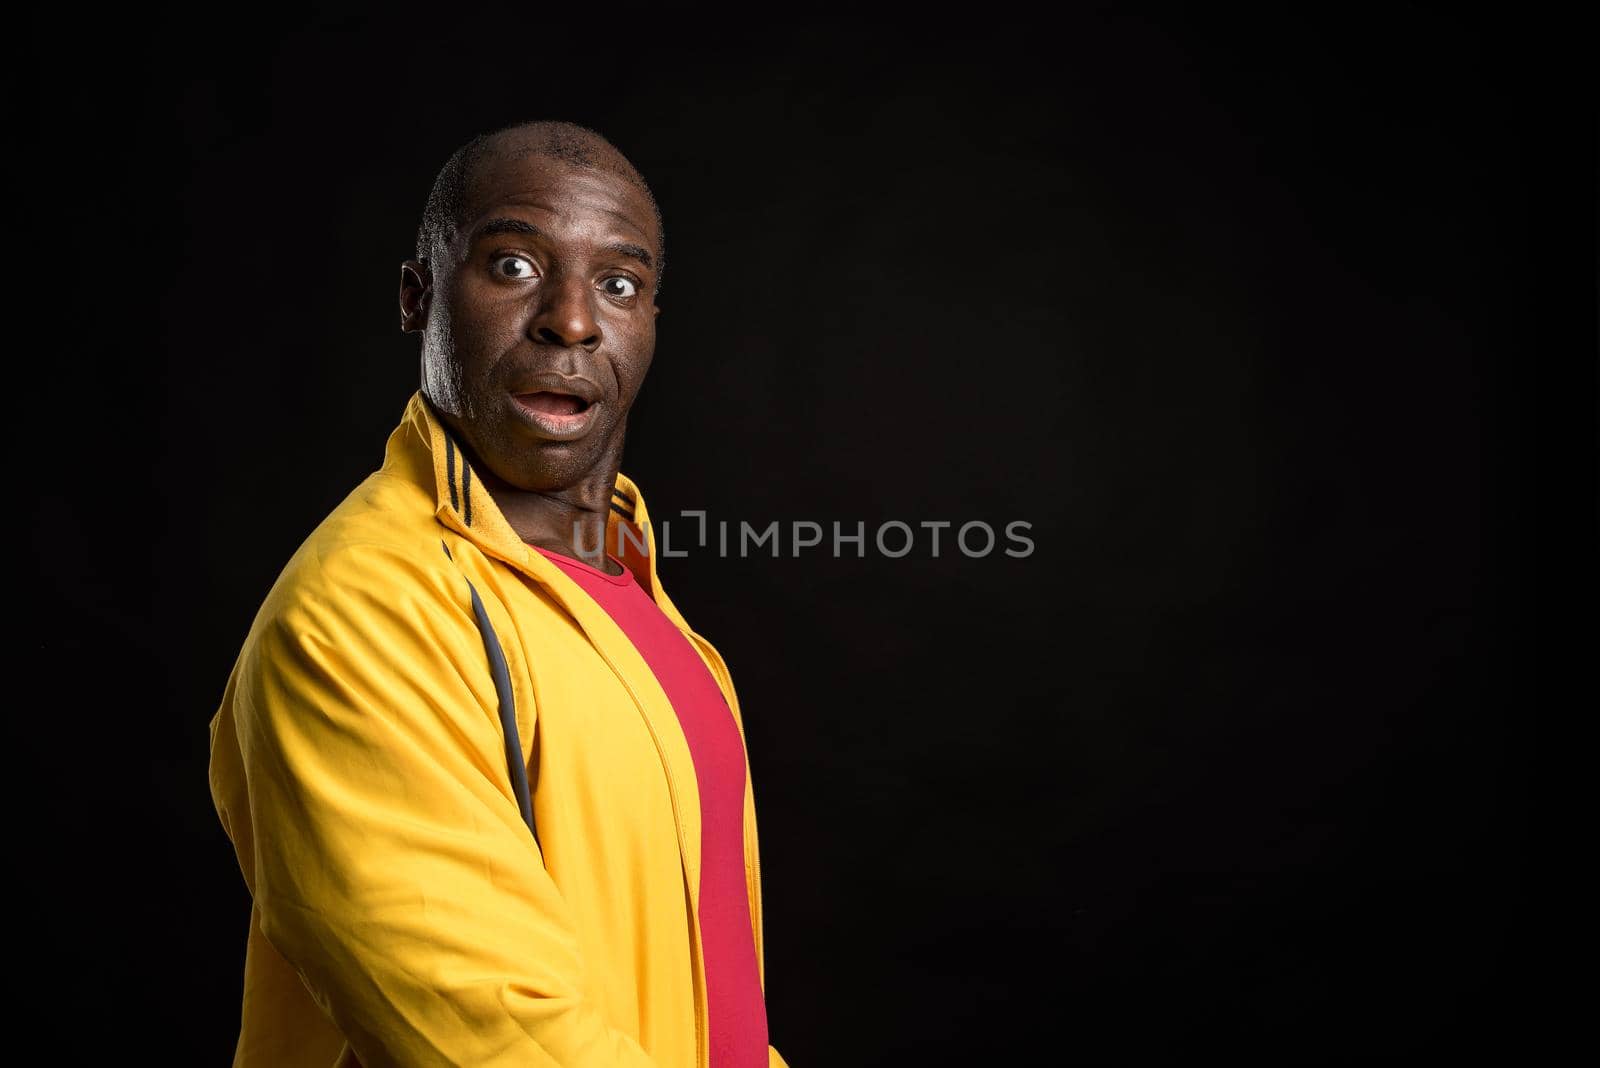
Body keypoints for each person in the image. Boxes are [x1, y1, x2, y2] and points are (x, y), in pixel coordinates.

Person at [207, 119, 788, 1068]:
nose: (573, 320)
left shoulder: (625, 580)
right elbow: (490, 1032)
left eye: (619, 283)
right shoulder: (362, 612)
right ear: (418, 296)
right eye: (514, 266)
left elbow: (707, 994)